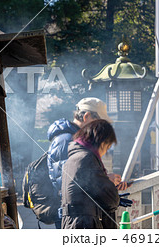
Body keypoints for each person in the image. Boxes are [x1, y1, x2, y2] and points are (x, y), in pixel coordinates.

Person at [46, 97, 129, 228]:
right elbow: (66, 182)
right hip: (77, 219)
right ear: (87, 116)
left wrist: (105, 184)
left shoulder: (82, 141)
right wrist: (105, 181)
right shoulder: (65, 140)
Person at [61, 119, 120, 229]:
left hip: (71, 223)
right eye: (107, 147)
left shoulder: (73, 158)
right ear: (102, 142)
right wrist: (110, 183)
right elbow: (109, 197)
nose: (104, 153)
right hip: (84, 224)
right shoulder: (87, 158)